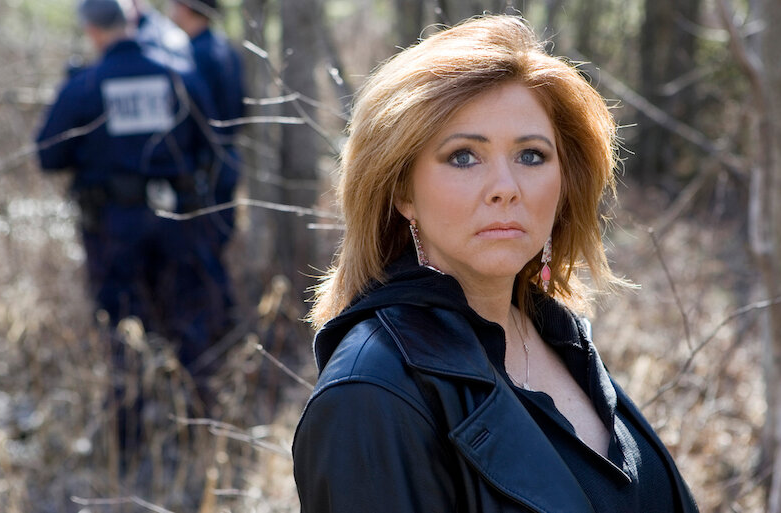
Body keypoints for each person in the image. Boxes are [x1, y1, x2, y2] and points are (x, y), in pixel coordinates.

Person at [292, 15, 700, 513]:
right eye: (464, 156)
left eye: (531, 155)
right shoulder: (372, 393)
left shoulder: (557, 335)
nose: (506, 188)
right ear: (403, 192)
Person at [35, 0, 223, 375]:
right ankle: (195, 400)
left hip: (113, 226)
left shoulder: (84, 85)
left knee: (122, 324)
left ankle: (132, 406)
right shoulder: (178, 75)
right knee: (186, 316)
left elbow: (48, 156)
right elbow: (212, 145)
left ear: (92, 31)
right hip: (177, 219)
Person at [169, 0, 247, 317]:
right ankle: (224, 318)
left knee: (201, 250)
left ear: (186, 7)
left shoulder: (192, 55)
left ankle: (216, 323)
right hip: (227, 160)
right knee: (214, 244)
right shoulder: (226, 49)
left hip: (205, 167)